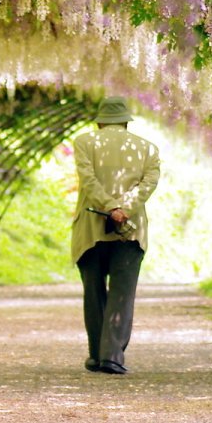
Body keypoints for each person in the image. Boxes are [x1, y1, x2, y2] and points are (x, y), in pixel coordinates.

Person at [70, 96, 160, 375]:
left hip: (91, 227)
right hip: (130, 230)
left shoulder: (84, 142)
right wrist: (124, 209)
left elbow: (88, 180)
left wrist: (109, 207)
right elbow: (149, 184)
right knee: (123, 292)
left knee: (93, 291)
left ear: (99, 121)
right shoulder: (148, 148)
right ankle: (112, 356)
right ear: (126, 121)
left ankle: (97, 355)